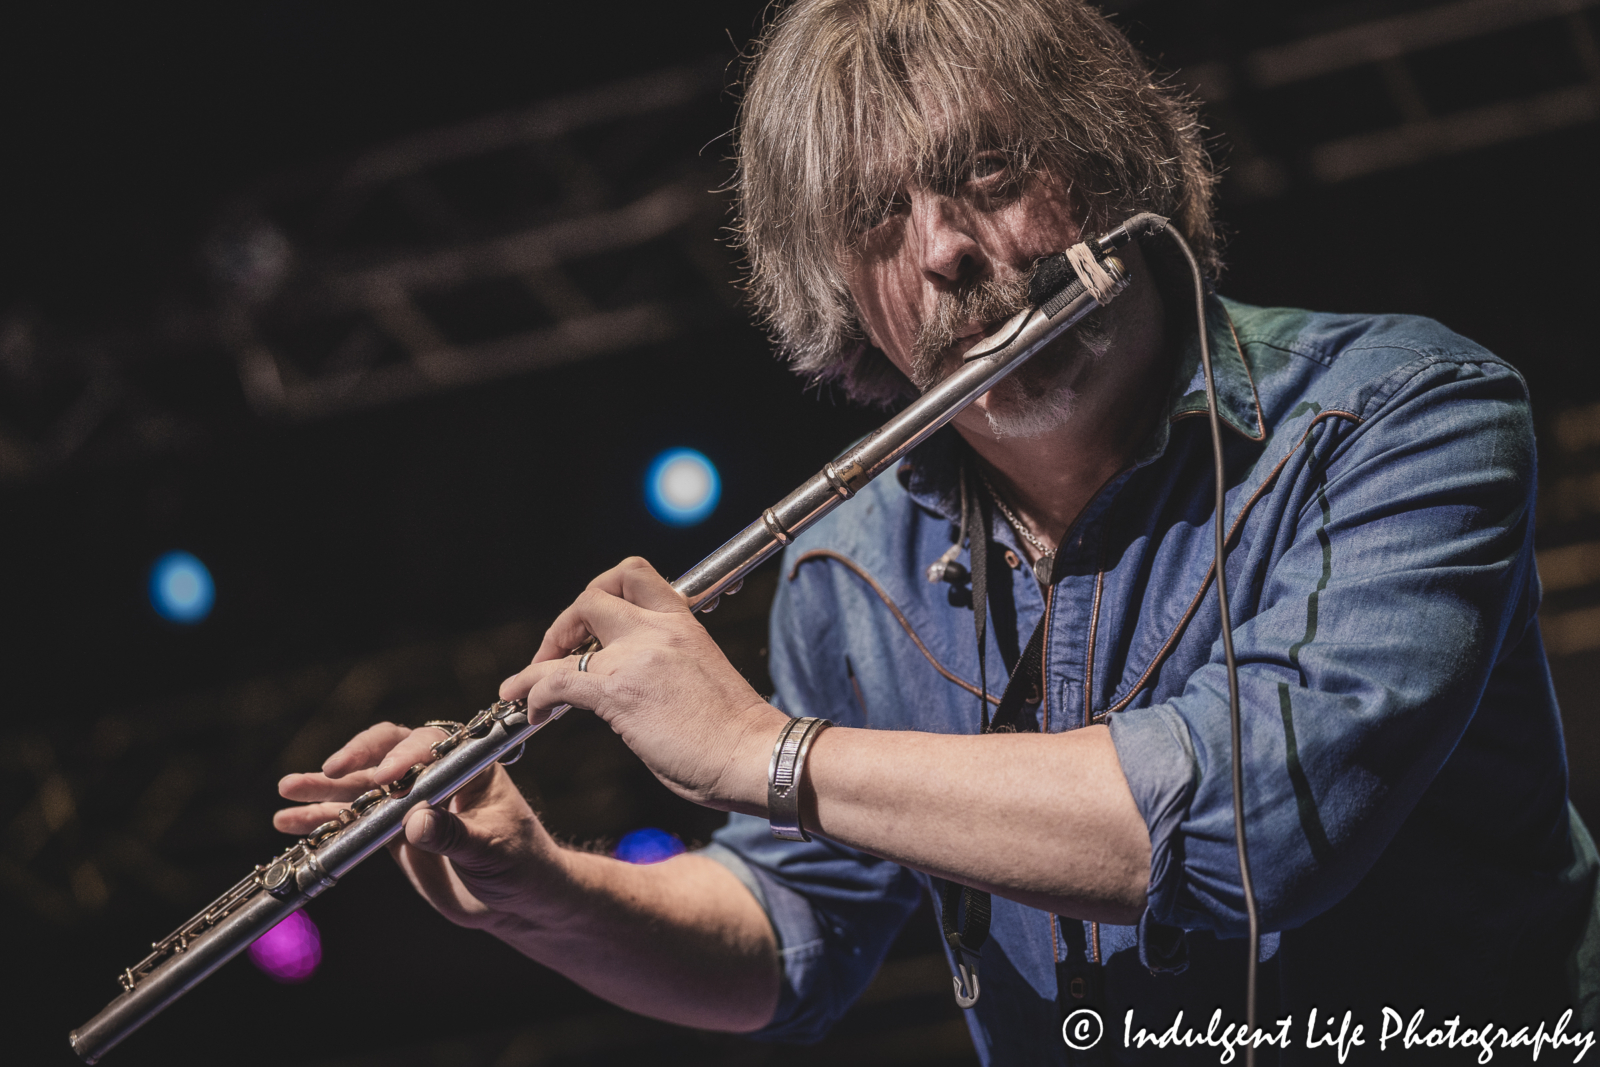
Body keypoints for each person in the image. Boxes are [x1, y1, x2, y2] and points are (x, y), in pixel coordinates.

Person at [275, 0, 1600, 1061]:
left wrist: (756, 747)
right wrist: (546, 892)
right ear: (844, 287)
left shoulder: (1399, 415)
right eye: (877, 220)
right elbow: (791, 937)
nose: (947, 251)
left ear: (1107, 156)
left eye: (985, 168)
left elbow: (1257, 825)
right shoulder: (848, 566)